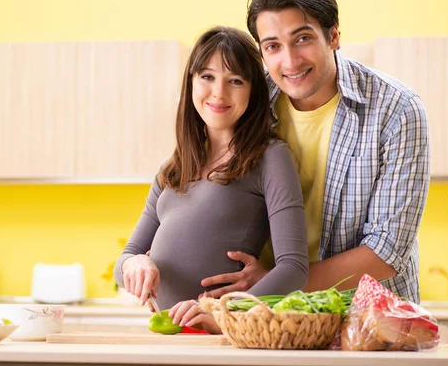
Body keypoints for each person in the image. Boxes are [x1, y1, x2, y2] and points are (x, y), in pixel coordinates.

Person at [200, 0, 429, 304]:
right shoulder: (248, 102)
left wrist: (276, 285)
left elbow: (387, 252)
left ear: (333, 36)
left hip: (367, 323)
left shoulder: (396, 110)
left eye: (302, 38)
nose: (290, 61)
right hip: (261, 318)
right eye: (273, 46)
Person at [113, 26, 309, 330]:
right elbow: (124, 260)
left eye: (235, 81)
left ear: (253, 92)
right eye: (207, 77)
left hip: (226, 341)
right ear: (191, 82)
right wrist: (135, 263)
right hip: (171, 336)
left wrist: (226, 315)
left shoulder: (269, 157)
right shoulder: (173, 169)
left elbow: (294, 268)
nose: (219, 92)